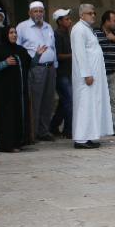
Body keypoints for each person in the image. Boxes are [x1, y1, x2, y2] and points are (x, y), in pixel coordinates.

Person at [0, 25, 35, 152]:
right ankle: (6, 145)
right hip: (3, 92)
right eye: (11, 33)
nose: (14, 35)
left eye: (15, 33)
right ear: (5, 35)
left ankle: (17, 142)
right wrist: (5, 63)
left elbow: (30, 64)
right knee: (6, 116)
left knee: (18, 115)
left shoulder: (21, 50)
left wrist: (38, 55)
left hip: (18, 92)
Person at [70, 4, 113, 148]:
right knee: (84, 106)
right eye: (89, 13)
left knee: (91, 106)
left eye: (94, 13)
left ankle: (89, 135)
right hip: (85, 77)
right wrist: (86, 74)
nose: (93, 15)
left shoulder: (88, 29)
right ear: (82, 15)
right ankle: (81, 139)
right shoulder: (79, 30)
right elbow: (80, 54)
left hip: (93, 76)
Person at [16, 1, 58, 142]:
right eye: (36, 11)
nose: (39, 14)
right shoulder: (22, 27)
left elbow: (53, 48)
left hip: (50, 67)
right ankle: (32, 133)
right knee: (35, 101)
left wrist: (55, 64)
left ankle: (43, 131)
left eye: (41, 11)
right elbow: (18, 48)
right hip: (35, 69)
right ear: (30, 13)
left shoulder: (48, 27)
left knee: (48, 101)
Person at [50, 9, 74, 138]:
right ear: (59, 21)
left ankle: (53, 126)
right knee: (69, 101)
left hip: (69, 72)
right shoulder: (57, 35)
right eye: (66, 19)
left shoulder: (67, 33)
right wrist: (73, 55)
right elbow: (57, 55)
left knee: (64, 102)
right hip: (61, 73)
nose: (69, 21)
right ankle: (68, 130)